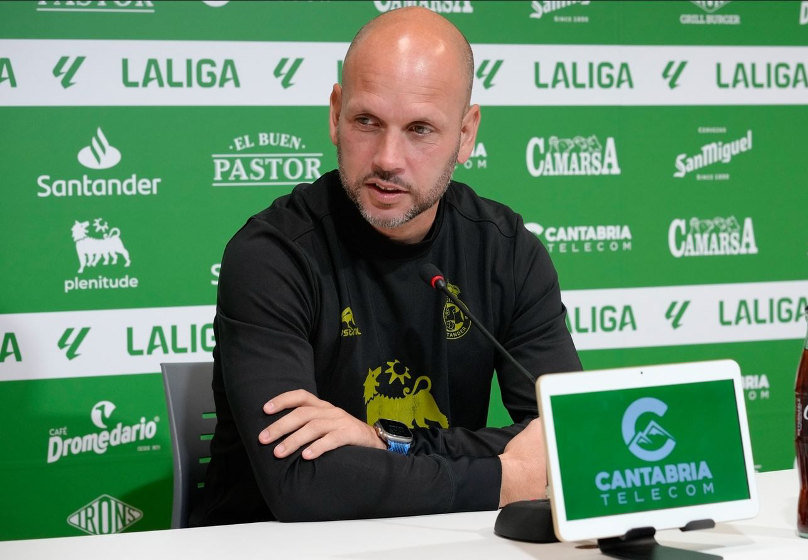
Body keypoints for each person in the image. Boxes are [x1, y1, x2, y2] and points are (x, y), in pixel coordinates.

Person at [193, 6, 581, 525]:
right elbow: (302, 484)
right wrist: (504, 477)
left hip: (434, 537)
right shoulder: (271, 255)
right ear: (335, 114)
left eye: (420, 129)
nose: (387, 159)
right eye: (367, 122)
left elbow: (565, 437)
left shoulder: (506, 251)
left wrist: (385, 440)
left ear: (466, 134)